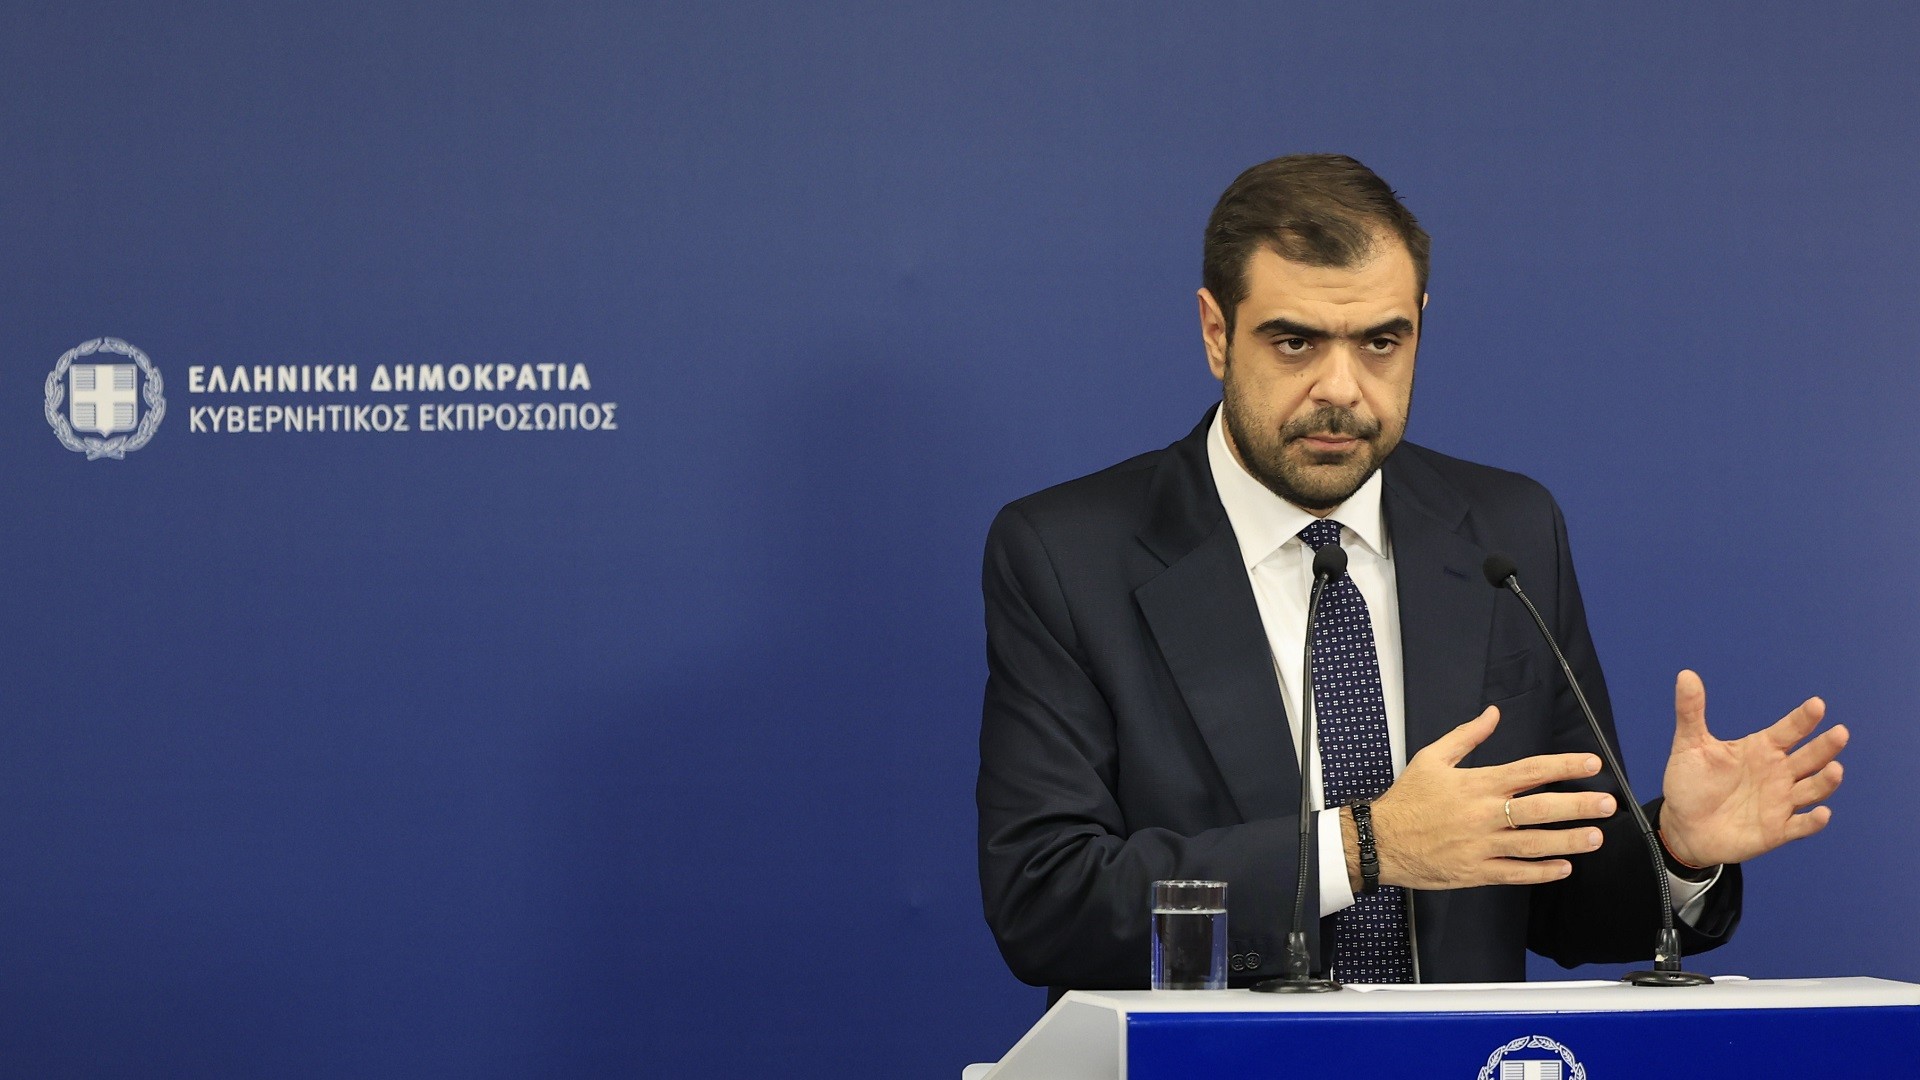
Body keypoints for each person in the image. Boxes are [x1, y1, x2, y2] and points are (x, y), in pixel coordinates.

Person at [976, 154, 1848, 994]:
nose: (1342, 389)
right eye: (1294, 342)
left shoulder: (1508, 532)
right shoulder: (1068, 554)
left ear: (1420, 325)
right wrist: (1363, 849)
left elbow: (1562, 894)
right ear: (1216, 333)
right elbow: (1047, 901)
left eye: (1381, 342)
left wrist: (1677, 849)